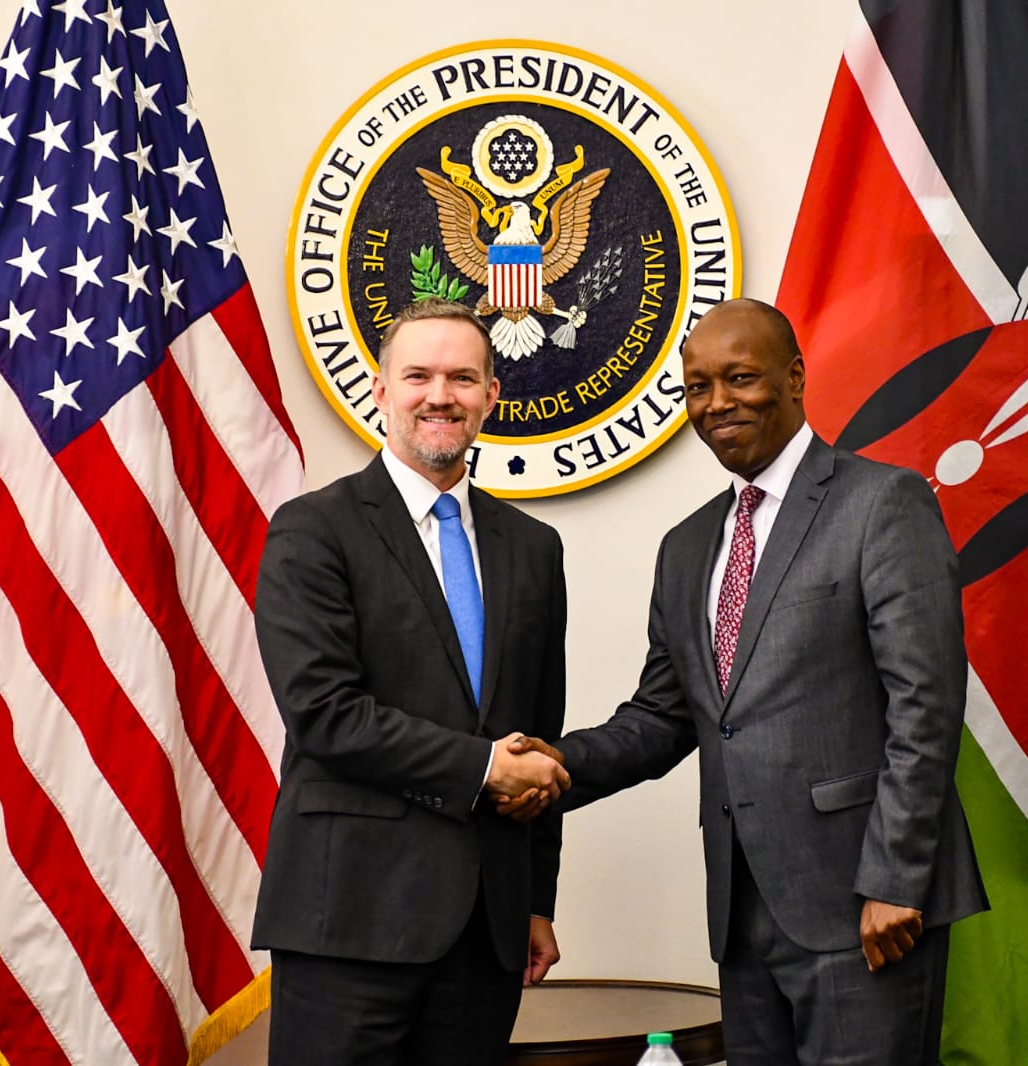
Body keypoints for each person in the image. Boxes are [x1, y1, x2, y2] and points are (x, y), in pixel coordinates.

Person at [505, 298, 987, 1065]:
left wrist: (896, 880)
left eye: (740, 378)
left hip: (868, 906)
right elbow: (664, 718)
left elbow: (925, 705)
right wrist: (555, 766)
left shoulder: (881, 503)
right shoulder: (688, 546)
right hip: (743, 917)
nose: (718, 403)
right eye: (698, 387)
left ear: (794, 379)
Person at [252, 297, 571, 1066]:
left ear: (491, 396)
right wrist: (485, 766)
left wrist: (533, 900)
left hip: (486, 932)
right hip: (349, 921)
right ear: (380, 389)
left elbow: (539, 730)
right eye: (419, 375)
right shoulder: (311, 530)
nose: (441, 395)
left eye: (463, 377)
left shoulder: (534, 547)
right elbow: (324, 714)